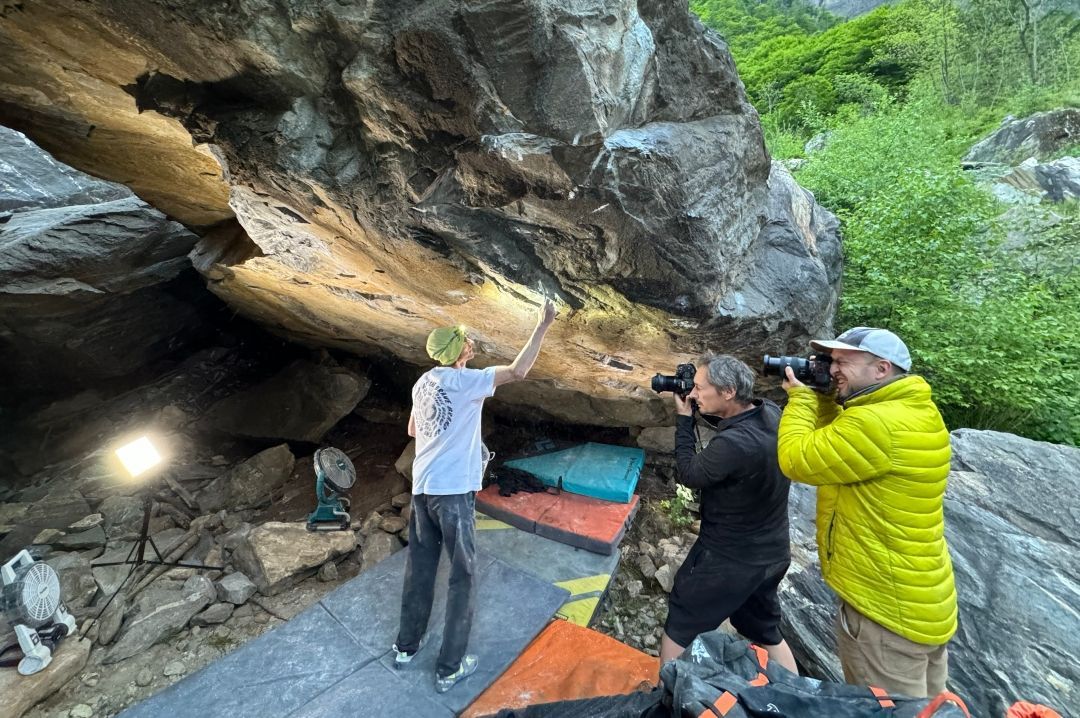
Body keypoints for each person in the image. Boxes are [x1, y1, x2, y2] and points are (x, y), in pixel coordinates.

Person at [777, 326, 957, 698]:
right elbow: (841, 448)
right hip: (919, 600)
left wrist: (802, 399)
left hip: (884, 613)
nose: (832, 369)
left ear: (881, 369)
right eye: (830, 361)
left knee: (882, 709)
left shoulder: (874, 423)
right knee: (929, 708)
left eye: (842, 362)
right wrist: (828, 400)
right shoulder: (914, 411)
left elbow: (796, 459)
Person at [393, 299, 557, 693]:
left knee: (420, 569)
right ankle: (449, 668)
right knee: (462, 575)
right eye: (466, 341)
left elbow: (415, 430)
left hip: (423, 488)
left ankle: (406, 647)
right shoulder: (467, 382)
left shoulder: (423, 382)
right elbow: (518, 370)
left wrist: (455, 438)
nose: (471, 344)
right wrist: (543, 324)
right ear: (459, 352)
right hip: (453, 494)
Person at [660, 354, 798, 673]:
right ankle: (797, 692)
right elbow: (730, 422)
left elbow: (690, 474)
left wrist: (684, 419)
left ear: (728, 391)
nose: (692, 393)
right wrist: (701, 406)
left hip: (728, 558)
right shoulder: (770, 412)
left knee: (681, 621)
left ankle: (665, 690)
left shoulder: (735, 444)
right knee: (763, 627)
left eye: (699, 388)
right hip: (772, 553)